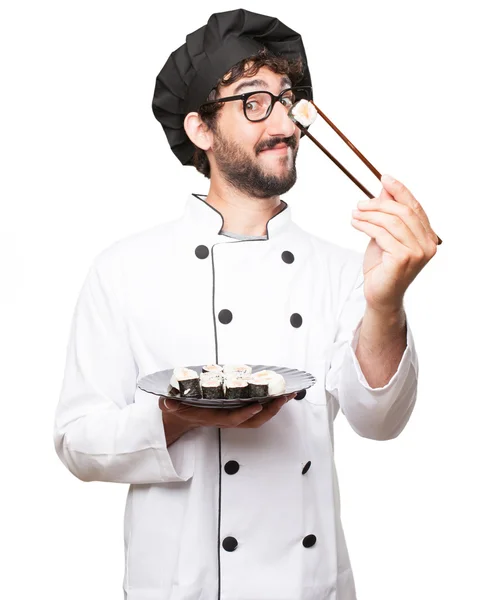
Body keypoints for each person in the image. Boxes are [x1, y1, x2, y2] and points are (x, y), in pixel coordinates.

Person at [53, 8, 439, 600]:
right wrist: (176, 417)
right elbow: (77, 442)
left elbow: (380, 421)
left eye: (288, 98)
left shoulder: (341, 270)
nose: (282, 120)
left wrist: (386, 304)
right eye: (253, 100)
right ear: (201, 130)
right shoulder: (124, 269)